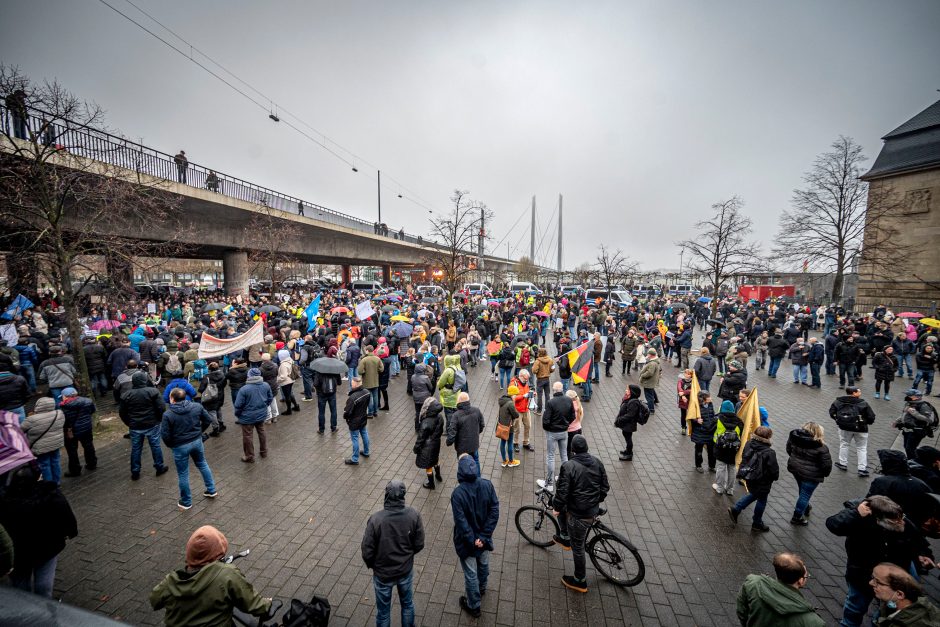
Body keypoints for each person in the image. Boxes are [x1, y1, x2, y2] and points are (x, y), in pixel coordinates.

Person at [826, 496, 935, 627]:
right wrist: (856, 514)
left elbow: (919, 542)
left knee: (887, 610)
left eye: (901, 517)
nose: (900, 522)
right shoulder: (861, 518)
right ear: (879, 519)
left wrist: (923, 555)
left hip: (892, 580)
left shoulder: (901, 520)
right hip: (863, 576)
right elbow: (833, 524)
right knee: (855, 607)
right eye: (894, 521)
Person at [150, 525, 271, 626]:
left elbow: (154, 600)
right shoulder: (226, 575)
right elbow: (254, 605)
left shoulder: (171, 581)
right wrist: (268, 604)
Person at [0, 465, 78, 598]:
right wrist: (70, 532)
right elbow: (66, 515)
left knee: (20, 585)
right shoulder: (51, 493)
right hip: (47, 549)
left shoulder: (4, 499)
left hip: (19, 553)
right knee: (44, 584)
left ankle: (25, 607)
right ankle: (44, 608)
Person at [361, 480, 425, 627]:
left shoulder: (376, 520)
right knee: (407, 604)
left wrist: (374, 566)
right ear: (403, 495)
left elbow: (367, 551)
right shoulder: (414, 515)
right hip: (405, 571)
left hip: (383, 574)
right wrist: (407, 556)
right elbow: (419, 544)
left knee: (383, 613)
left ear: (386, 495)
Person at [551, 434, 609, 593]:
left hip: (579, 515)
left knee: (578, 548)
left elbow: (562, 493)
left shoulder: (569, 466)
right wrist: (595, 501)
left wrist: (556, 507)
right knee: (576, 537)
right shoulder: (597, 462)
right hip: (593, 509)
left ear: (573, 450)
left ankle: (580, 581)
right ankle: (565, 538)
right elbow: (605, 487)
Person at [449, 454, 500, 618]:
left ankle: (474, 605)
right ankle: (482, 587)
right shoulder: (487, 485)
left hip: (467, 543)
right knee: (483, 563)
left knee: (471, 574)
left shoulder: (458, 494)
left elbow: (461, 522)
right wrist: (483, 537)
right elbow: (494, 511)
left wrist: (472, 540)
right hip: (483, 540)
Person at [161, 387, 217, 510]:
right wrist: (199, 432)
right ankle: (211, 490)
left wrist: (172, 445)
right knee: (202, 464)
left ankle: (186, 501)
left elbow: (165, 435)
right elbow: (208, 420)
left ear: (172, 399)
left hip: (180, 446)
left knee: (183, 473)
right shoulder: (196, 406)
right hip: (197, 442)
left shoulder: (168, 414)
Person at [735, 552, 824, 627]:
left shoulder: (753, 583)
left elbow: (742, 611)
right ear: (800, 581)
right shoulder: (814, 622)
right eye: (806, 576)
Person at [728, 426, 779, 532]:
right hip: (762, 480)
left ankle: (737, 509)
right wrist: (775, 477)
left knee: (754, 493)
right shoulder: (769, 452)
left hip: (749, 476)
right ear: (768, 437)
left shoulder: (748, 444)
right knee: (762, 499)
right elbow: (773, 469)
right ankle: (756, 522)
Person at [120, 371, 169, 481]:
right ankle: (159, 467)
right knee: (155, 446)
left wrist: (129, 423)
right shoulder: (153, 391)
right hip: (152, 424)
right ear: (145, 380)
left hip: (135, 426)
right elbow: (161, 408)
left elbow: (122, 413)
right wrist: (158, 419)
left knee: (136, 449)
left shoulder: (126, 395)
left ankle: (135, 471)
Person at [867, 449, 933, 528]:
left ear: (888, 464)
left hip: (887, 525)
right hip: (912, 527)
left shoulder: (882, 482)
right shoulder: (921, 484)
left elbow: (870, 503)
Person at [785, 422, 832, 525]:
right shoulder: (821, 447)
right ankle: (797, 517)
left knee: (802, 491)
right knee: (805, 495)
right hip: (812, 475)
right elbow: (826, 465)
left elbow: (789, 450)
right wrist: (824, 474)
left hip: (796, 469)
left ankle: (805, 507)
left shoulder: (794, 438)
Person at [869, 562, 940, 626]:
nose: (870, 583)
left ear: (899, 594)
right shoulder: (891, 601)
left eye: (877, 582)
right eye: (872, 577)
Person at [829, 386, 877, 476]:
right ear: (854, 393)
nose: (860, 392)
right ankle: (862, 469)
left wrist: (838, 420)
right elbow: (871, 417)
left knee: (844, 444)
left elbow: (831, 412)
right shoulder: (863, 403)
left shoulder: (838, 401)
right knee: (861, 448)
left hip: (844, 427)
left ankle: (843, 463)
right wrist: (867, 423)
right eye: (859, 391)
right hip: (861, 429)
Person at [21, 397, 65, 484]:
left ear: (38, 406)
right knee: (55, 461)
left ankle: (48, 485)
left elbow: (20, 430)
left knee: (45, 464)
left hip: (41, 447)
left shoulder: (31, 419)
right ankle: (57, 482)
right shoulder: (59, 413)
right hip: (56, 443)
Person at [233, 367, 273, 463]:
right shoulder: (266, 385)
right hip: (261, 414)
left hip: (247, 417)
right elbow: (270, 398)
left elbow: (238, 405)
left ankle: (249, 456)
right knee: (262, 432)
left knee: (247, 436)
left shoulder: (244, 389)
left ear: (249, 376)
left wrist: (238, 414)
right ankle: (264, 452)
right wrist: (264, 406)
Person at [60, 387, 97, 477]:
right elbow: (92, 411)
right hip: (86, 427)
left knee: (72, 450)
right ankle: (92, 464)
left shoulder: (63, 406)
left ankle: (75, 470)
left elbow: (63, 421)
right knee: (88, 445)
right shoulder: (88, 401)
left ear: (66, 397)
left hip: (71, 431)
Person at [446, 392, 485, 475]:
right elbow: (482, 425)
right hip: (474, 444)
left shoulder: (456, 415)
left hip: (462, 447)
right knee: (476, 460)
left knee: (463, 464)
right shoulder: (477, 410)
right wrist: (476, 433)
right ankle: (477, 479)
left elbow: (452, 431)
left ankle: (466, 481)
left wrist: (449, 442)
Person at [894, 388, 937, 459]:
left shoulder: (924, 406)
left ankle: (914, 462)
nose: (907, 397)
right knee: (906, 446)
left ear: (916, 397)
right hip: (907, 429)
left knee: (910, 448)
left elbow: (929, 420)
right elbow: (904, 414)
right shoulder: (909, 403)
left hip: (917, 431)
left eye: (909, 396)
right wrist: (897, 421)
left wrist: (914, 413)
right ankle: (912, 460)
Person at [713, 399, 743, 495]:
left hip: (721, 446)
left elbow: (711, 428)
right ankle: (730, 489)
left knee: (721, 467)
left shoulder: (718, 418)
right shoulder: (739, 421)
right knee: (732, 467)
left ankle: (719, 488)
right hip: (734, 448)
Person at [414, 398, 445, 488]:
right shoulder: (440, 417)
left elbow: (421, 438)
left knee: (428, 465)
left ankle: (431, 484)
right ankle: (438, 475)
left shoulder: (426, 421)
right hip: (436, 443)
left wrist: (416, 448)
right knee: (435, 459)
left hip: (427, 447)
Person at [614, 384, 647, 461]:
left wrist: (620, 419)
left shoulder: (634, 402)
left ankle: (629, 454)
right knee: (625, 435)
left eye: (628, 390)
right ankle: (627, 450)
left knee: (628, 438)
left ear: (632, 392)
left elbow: (630, 415)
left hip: (629, 424)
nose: (626, 390)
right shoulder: (629, 399)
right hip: (627, 424)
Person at [343, 376, 371, 465]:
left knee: (355, 438)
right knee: (364, 433)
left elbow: (347, 412)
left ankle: (355, 459)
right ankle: (366, 452)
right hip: (363, 417)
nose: (351, 384)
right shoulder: (367, 392)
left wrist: (345, 416)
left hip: (354, 421)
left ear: (355, 384)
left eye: (352, 383)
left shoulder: (353, 397)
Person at [690, 390, 717, 473]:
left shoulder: (710, 404)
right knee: (699, 450)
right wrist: (696, 420)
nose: (710, 398)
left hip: (710, 431)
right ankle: (698, 465)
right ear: (703, 399)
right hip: (700, 431)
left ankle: (712, 466)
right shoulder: (696, 406)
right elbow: (690, 417)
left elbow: (712, 414)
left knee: (712, 451)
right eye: (708, 397)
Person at [198, 361, 228, 435]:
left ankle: (215, 429)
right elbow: (224, 385)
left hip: (211, 397)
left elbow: (201, 389)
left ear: (209, 369)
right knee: (218, 409)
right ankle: (221, 424)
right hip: (220, 396)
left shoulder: (207, 377)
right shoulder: (222, 375)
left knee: (212, 412)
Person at [510, 370, 534, 452]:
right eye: (525, 379)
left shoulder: (525, 382)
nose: (527, 381)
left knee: (528, 426)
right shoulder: (514, 384)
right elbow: (513, 398)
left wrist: (532, 394)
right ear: (520, 376)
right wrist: (523, 396)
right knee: (517, 428)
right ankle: (515, 443)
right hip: (517, 410)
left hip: (526, 409)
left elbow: (527, 391)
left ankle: (526, 443)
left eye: (527, 379)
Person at [312, 365, 341, 434]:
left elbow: (315, 384)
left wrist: (319, 390)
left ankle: (321, 429)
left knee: (321, 412)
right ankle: (333, 428)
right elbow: (339, 383)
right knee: (333, 411)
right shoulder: (335, 371)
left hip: (321, 394)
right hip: (332, 393)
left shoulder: (319, 372)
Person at [496, 387, 520, 468]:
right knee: (510, 443)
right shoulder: (510, 403)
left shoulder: (502, 400)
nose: (516, 396)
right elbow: (516, 415)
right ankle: (511, 461)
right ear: (512, 394)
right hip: (509, 427)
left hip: (502, 426)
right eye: (515, 395)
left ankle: (504, 461)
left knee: (502, 443)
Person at [359, 345, 384, 418]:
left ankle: (370, 413)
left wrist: (364, 372)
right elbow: (381, 369)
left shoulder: (364, 360)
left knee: (369, 398)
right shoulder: (377, 359)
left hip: (366, 382)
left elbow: (360, 371)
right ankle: (375, 412)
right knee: (375, 397)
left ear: (367, 351)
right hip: (375, 381)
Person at [638, 348, 661, 413]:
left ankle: (651, 409)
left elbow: (650, 373)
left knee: (649, 396)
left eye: (648, 353)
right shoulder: (655, 361)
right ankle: (653, 402)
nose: (647, 354)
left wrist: (642, 375)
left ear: (651, 355)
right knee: (651, 393)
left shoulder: (652, 363)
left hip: (649, 382)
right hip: (652, 381)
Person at [565, 389, 584, 458]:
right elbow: (581, 418)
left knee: (569, 449)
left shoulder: (568, 407)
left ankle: (570, 463)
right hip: (578, 428)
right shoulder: (579, 405)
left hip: (571, 431)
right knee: (577, 449)